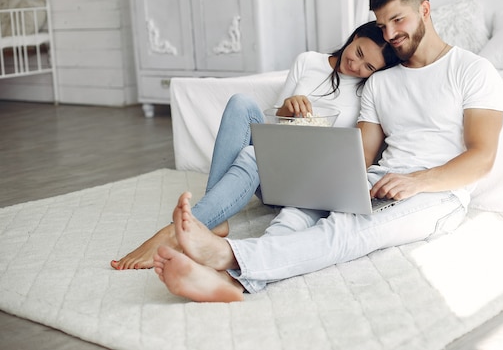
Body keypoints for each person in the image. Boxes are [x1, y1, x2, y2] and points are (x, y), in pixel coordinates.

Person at [151, 0, 503, 303]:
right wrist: (323, 179)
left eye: (399, 20)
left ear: (424, 10)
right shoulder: (380, 82)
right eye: (383, 25)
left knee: (346, 230)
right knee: (296, 212)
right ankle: (232, 281)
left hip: (437, 194)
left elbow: (482, 156)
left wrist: (416, 181)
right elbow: (361, 157)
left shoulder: (472, 71)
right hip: (380, 178)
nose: (391, 33)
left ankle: (227, 257)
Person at [111, 21, 400, 270]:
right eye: (359, 52)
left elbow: (356, 153)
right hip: (276, 171)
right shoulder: (308, 61)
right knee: (242, 104)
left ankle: (178, 231)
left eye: (368, 66)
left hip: (310, 181)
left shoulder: (369, 90)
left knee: (252, 155)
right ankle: (215, 217)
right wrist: (287, 109)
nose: (356, 65)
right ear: (353, 38)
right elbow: (270, 128)